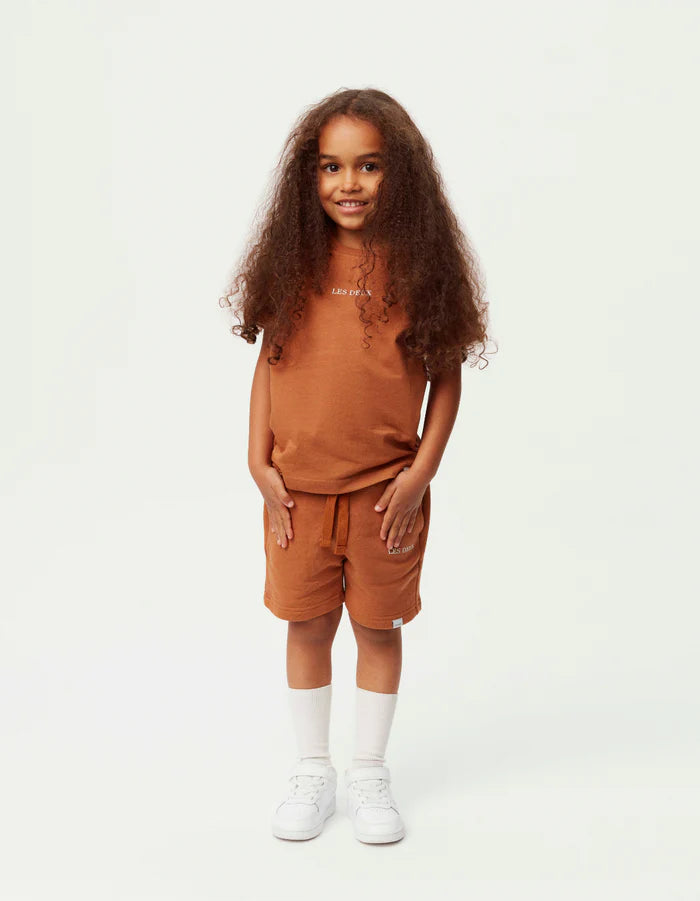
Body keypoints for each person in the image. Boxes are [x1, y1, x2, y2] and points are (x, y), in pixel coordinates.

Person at [220, 88, 494, 844]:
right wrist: (256, 459)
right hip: (296, 494)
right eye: (332, 166)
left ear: (399, 172)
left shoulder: (420, 266)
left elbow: (446, 378)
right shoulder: (294, 261)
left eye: (369, 166)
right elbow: (270, 361)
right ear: (308, 176)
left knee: (377, 628)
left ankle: (369, 769)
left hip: (384, 498)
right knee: (307, 624)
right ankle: (314, 768)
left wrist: (420, 475)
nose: (349, 183)